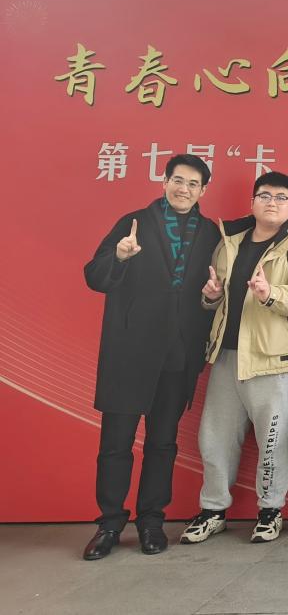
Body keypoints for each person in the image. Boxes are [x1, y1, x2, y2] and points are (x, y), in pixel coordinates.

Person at [81, 154, 220, 560]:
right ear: (164, 182)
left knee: (162, 443)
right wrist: (120, 256)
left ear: (203, 191)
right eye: (178, 180)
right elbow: (94, 275)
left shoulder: (210, 234)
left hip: (178, 354)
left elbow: (213, 292)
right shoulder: (133, 222)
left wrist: (211, 298)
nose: (184, 189)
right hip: (129, 351)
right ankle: (109, 524)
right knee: (116, 444)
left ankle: (151, 521)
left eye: (192, 184)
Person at [180, 171, 288, 545]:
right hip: (227, 355)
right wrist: (211, 296)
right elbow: (214, 298)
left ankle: (270, 510)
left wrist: (270, 294)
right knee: (214, 438)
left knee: (273, 440)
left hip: (274, 359)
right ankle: (213, 510)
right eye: (264, 195)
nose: (272, 203)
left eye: (280, 197)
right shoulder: (229, 243)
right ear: (253, 202)